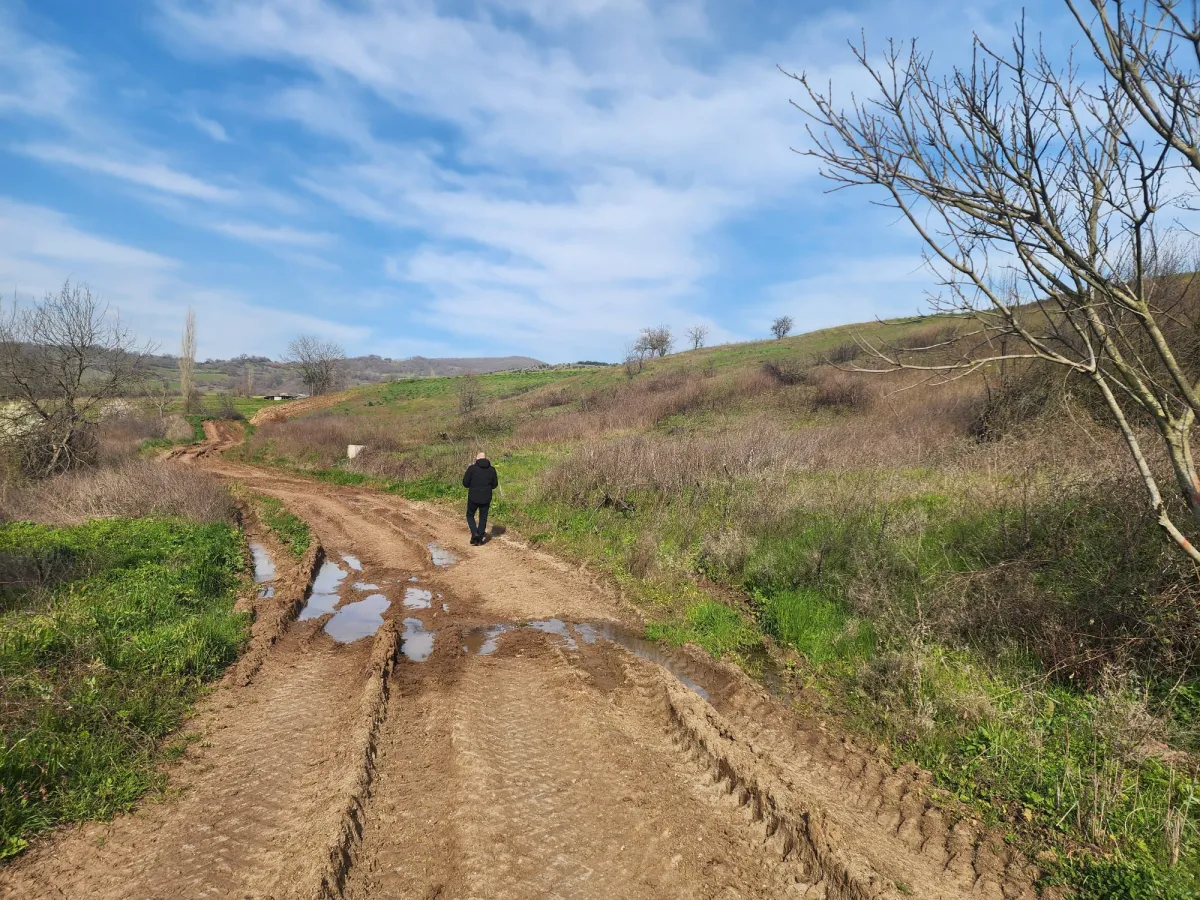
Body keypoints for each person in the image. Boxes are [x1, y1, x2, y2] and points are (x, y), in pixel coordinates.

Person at [462, 451, 499, 545]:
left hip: (473, 496)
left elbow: (465, 483)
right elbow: (495, 485)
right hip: (486, 497)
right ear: (486, 459)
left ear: (477, 459)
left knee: (470, 515)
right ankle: (480, 538)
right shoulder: (492, 469)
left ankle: (475, 533)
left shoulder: (472, 469)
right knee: (483, 517)